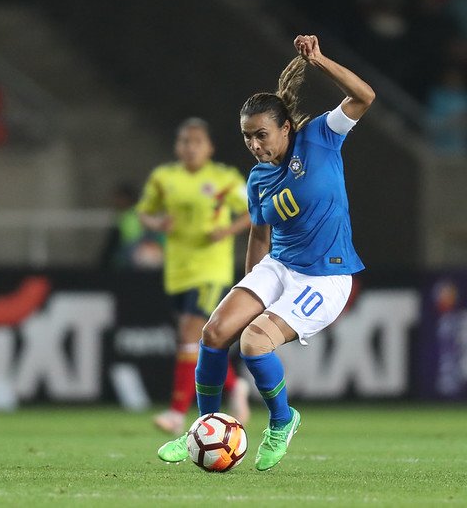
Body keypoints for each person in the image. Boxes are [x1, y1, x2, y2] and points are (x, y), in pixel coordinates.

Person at [157, 34, 375, 471]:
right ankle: (204, 427)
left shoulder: (321, 138)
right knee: (216, 332)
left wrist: (321, 61)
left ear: (285, 128)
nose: (255, 145)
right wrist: (250, 285)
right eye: (246, 137)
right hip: (279, 265)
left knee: (255, 343)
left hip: (325, 277)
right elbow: (259, 233)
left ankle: (282, 420)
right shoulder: (258, 178)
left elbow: (364, 96)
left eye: (261, 135)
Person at [137, 116, 253, 436]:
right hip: (178, 270)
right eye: (185, 142)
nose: (190, 148)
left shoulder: (223, 179)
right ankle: (235, 386)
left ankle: (177, 413)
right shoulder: (164, 178)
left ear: (209, 147)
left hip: (211, 269)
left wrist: (227, 230)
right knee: (200, 340)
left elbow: (253, 209)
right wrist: (157, 224)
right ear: (177, 146)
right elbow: (144, 212)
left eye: (197, 142)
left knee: (189, 335)